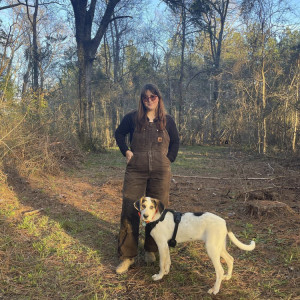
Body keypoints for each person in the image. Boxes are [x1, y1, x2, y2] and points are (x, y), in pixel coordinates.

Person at [115, 83, 179, 274]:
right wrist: (126, 151)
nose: (149, 100)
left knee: (157, 212)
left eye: (153, 96)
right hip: (136, 170)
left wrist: (169, 160)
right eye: (145, 97)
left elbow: (175, 141)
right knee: (130, 209)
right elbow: (119, 134)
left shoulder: (167, 120)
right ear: (141, 99)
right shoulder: (133, 118)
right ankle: (127, 256)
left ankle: (151, 249)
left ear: (158, 98)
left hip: (161, 172)